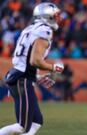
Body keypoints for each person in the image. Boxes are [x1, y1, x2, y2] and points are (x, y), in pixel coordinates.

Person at [0, 2, 64, 135]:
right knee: (22, 126)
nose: (59, 18)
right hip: (21, 80)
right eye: (56, 15)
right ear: (47, 16)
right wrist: (54, 68)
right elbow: (35, 61)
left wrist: (37, 76)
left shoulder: (30, 29)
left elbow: (24, 60)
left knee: (37, 121)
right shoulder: (44, 31)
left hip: (20, 76)